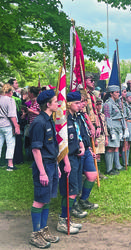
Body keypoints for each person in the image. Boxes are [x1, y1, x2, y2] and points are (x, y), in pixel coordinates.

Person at [28, 89, 60, 248]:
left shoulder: (49, 120)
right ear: (48, 104)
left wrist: (57, 166)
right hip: (43, 166)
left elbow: (52, 145)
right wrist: (42, 172)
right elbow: (36, 150)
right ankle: (35, 234)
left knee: (46, 198)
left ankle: (43, 230)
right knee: (39, 199)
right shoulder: (39, 122)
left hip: (51, 164)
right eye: (55, 102)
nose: (58, 104)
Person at [57, 91, 86, 234]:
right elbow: (62, 143)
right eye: (76, 103)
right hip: (68, 158)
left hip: (76, 156)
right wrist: (67, 161)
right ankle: (63, 220)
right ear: (68, 104)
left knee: (73, 189)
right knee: (70, 191)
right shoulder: (64, 120)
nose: (80, 105)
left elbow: (77, 135)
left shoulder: (75, 118)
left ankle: (67, 218)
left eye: (80, 102)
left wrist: (81, 144)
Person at [70, 92, 99, 218]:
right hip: (76, 150)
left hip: (86, 149)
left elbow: (86, 133)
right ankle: (74, 204)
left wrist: (88, 148)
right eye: (79, 102)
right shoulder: (72, 117)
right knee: (75, 180)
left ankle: (84, 199)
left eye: (83, 102)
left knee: (92, 175)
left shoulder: (81, 115)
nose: (82, 104)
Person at [103, 85, 124, 175]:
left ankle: (112, 167)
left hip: (117, 127)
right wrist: (111, 131)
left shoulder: (116, 103)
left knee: (114, 147)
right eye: (116, 92)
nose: (118, 94)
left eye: (118, 92)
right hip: (112, 127)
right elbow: (107, 118)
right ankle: (109, 169)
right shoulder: (108, 104)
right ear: (111, 93)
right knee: (110, 148)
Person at [0, 84, 20, 171]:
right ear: (10, 92)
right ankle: (10, 164)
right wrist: (16, 126)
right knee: (10, 144)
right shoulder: (10, 100)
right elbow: (12, 115)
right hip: (8, 124)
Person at [123, 92, 131, 166]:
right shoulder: (124, 106)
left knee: (129, 143)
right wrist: (126, 128)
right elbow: (124, 118)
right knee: (126, 144)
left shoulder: (130, 106)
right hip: (127, 123)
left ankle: (127, 161)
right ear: (126, 98)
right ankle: (125, 162)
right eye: (130, 97)